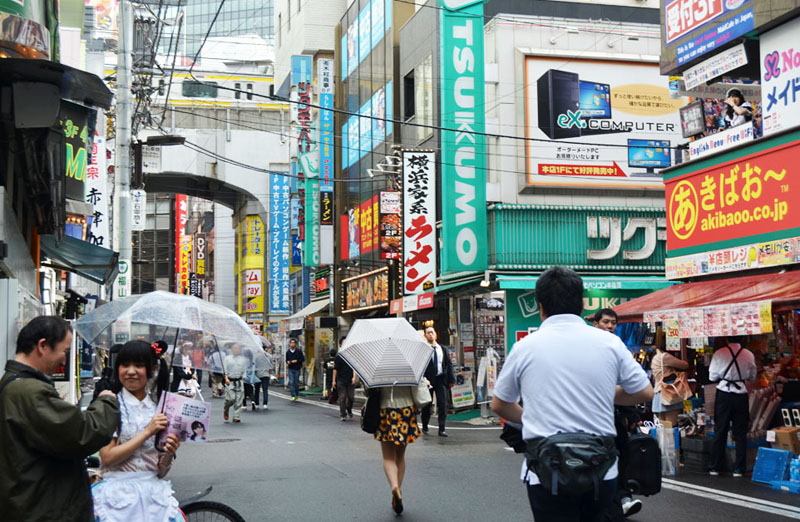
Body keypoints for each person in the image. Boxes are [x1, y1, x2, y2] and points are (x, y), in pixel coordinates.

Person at [491, 266, 653, 522]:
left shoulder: (525, 347)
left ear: (541, 306)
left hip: (545, 471)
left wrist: (534, 417)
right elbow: (644, 391)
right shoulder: (609, 343)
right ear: (582, 303)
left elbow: (500, 404)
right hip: (601, 469)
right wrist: (602, 395)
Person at [0, 316, 120, 521]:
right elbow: (82, 434)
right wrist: (106, 401)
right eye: (65, 351)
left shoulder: (12, 384)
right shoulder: (30, 392)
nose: (64, 361)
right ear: (43, 346)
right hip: (43, 510)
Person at [92, 340, 181, 521]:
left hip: (154, 499)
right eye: (125, 365)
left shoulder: (159, 409)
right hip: (117, 498)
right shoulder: (110, 404)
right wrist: (148, 432)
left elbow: (160, 471)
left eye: (139, 365)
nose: (131, 371)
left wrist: (170, 453)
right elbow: (107, 457)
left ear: (152, 370)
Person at [591, 308, 643, 520]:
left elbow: (629, 384)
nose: (610, 326)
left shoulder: (618, 346)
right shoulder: (588, 346)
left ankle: (622, 498)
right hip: (591, 415)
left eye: (613, 323)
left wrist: (632, 415)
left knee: (620, 454)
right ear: (595, 324)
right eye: (606, 322)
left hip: (615, 413)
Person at [709, 337, 757, 477]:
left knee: (720, 429)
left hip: (724, 393)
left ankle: (715, 466)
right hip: (741, 394)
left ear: (727, 338)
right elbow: (752, 377)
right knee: (740, 432)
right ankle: (739, 468)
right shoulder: (748, 354)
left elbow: (712, 377)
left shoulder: (719, 353)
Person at [374, 384, 423, 515]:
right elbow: (417, 390)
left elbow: (370, 391)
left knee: (388, 457)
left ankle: (394, 487)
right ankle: (397, 491)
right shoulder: (409, 370)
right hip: (406, 410)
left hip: (385, 410)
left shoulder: (379, 372)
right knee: (400, 456)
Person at [421, 326, 455, 436]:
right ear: (425, 335)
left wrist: (451, 379)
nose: (431, 334)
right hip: (428, 380)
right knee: (427, 404)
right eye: (428, 333)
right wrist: (423, 379)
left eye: (432, 332)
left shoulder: (442, 349)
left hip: (441, 379)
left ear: (435, 334)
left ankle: (442, 429)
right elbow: (420, 366)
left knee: (442, 403)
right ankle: (425, 426)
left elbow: (449, 364)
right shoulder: (424, 350)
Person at [650, 344, 690, 427]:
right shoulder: (664, 357)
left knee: (662, 425)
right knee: (671, 425)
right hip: (668, 392)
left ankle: (663, 436)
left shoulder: (655, 358)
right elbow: (684, 365)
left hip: (658, 392)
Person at [333, 338, 358, 421]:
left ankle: (349, 408)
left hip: (350, 380)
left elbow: (354, 367)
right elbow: (335, 369)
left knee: (351, 398)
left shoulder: (352, 355)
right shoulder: (338, 357)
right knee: (342, 397)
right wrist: (334, 381)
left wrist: (354, 377)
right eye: (344, 343)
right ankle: (343, 414)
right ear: (340, 345)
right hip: (341, 380)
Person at [223, 343, 249, 423]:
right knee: (230, 399)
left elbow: (245, 370)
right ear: (231, 349)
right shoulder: (227, 359)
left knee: (239, 400)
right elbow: (224, 371)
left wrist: (243, 379)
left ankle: (236, 416)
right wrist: (226, 378)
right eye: (234, 348)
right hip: (230, 381)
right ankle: (226, 409)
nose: (236, 350)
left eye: (238, 348)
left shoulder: (243, 360)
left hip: (239, 381)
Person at [253, 340, 274, 410]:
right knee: (265, 390)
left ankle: (257, 403)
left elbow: (254, 366)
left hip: (257, 375)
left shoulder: (256, 356)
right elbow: (271, 366)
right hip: (266, 375)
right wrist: (269, 372)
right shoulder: (269, 356)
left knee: (257, 390)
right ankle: (265, 404)